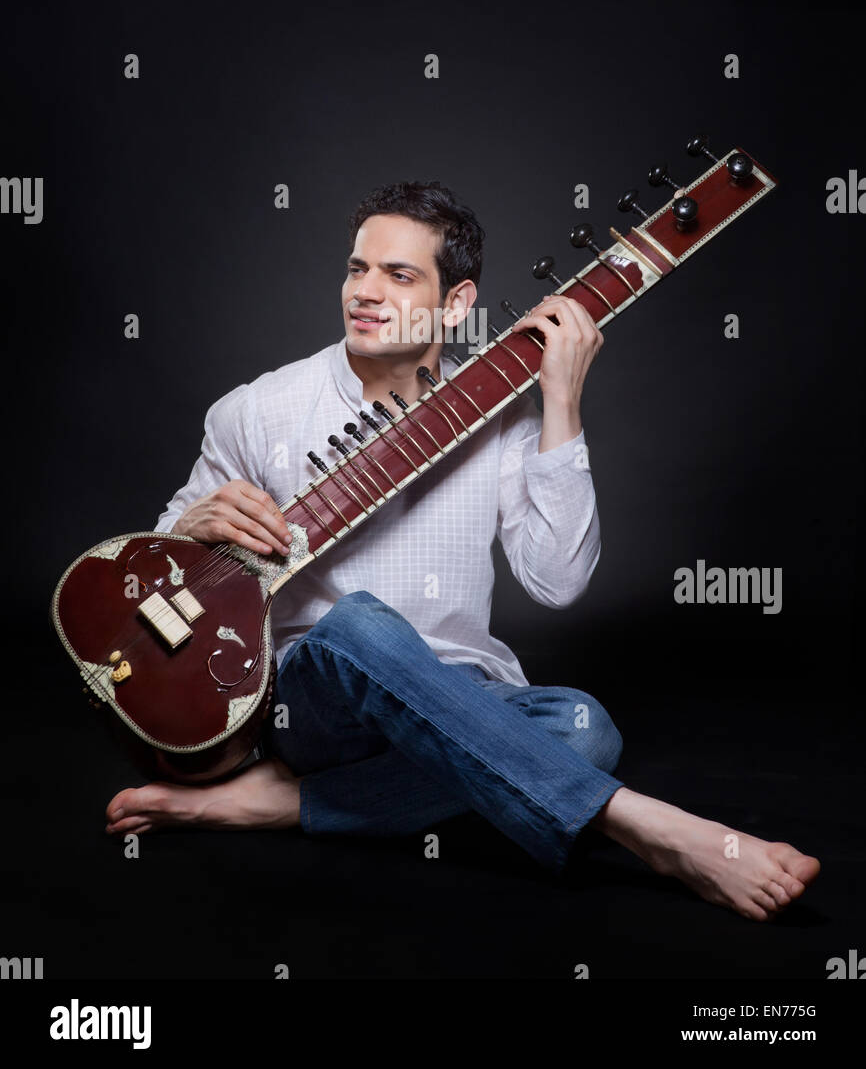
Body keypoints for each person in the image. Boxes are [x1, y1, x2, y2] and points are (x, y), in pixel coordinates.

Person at [106, 180, 819, 921]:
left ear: (456, 304)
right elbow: (156, 567)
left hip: (465, 700)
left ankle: (287, 804)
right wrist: (192, 527)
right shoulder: (257, 410)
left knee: (586, 728)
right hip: (319, 705)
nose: (366, 292)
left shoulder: (503, 419)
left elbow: (558, 583)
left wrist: (562, 404)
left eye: (399, 275)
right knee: (355, 625)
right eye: (358, 269)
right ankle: (652, 827)